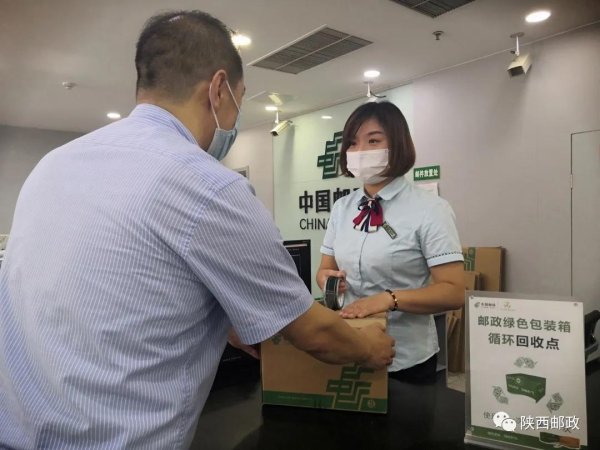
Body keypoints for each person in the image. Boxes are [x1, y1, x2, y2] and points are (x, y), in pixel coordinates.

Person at [0, 11, 395, 449]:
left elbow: (108, 293)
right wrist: (370, 351)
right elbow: (313, 332)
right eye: (240, 100)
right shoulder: (208, 185)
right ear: (219, 89)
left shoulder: (53, 164)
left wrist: (225, 320)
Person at [317, 101, 465, 383]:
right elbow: (324, 270)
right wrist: (329, 282)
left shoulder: (430, 209)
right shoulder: (342, 208)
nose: (360, 151)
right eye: (352, 143)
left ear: (397, 144)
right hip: (351, 347)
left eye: (373, 141)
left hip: (406, 357)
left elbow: (453, 292)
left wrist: (389, 299)